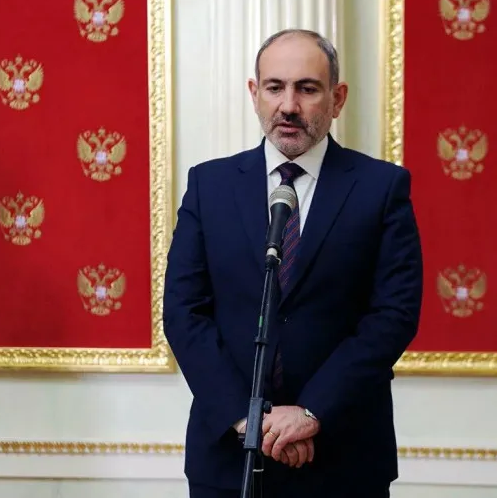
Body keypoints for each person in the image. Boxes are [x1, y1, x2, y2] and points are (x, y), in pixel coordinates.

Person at [162, 28, 423, 498]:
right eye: (274, 87)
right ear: (254, 93)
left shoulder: (381, 189)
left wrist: (310, 413)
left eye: (307, 88)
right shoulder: (209, 186)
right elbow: (184, 312)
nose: (288, 105)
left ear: (337, 98)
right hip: (228, 456)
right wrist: (247, 420)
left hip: (343, 458)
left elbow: (393, 316)